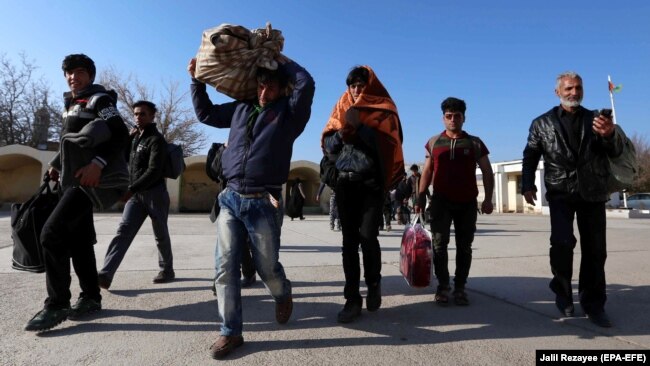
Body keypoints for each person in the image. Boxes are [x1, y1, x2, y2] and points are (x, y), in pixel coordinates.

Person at [188, 54, 315, 359]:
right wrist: (196, 81)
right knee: (224, 267)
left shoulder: (290, 114)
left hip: (264, 201)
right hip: (230, 198)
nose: (263, 92)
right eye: (260, 85)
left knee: (267, 268)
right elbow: (205, 114)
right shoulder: (241, 108)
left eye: (270, 87)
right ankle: (230, 332)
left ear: (282, 89)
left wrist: (281, 60)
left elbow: (306, 83)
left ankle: (282, 293)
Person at [24, 54, 129, 331]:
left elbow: (120, 133)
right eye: (69, 73)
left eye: (80, 72)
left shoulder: (100, 100)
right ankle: (91, 297)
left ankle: (57, 304)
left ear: (90, 76)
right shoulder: (71, 105)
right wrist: (56, 165)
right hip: (71, 180)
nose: (74, 77)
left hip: (89, 181)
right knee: (80, 240)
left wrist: (98, 163)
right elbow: (69, 143)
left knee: (51, 233)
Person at [521, 72, 624, 328]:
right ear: (558, 92)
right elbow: (531, 154)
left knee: (596, 250)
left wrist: (610, 135)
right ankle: (563, 293)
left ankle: (594, 304)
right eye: (568, 88)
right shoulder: (541, 123)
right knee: (562, 244)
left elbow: (614, 152)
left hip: (593, 192)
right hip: (560, 192)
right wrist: (527, 184)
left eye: (578, 88)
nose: (574, 93)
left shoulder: (596, 120)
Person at [322, 66, 404, 323]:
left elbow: (390, 144)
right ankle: (352, 299)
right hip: (346, 186)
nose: (356, 90)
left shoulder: (383, 107)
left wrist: (361, 129)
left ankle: (374, 283)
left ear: (368, 86)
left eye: (361, 85)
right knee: (348, 243)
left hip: (370, 185)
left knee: (368, 237)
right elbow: (327, 146)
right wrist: (342, 134)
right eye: (353, 85)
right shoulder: (341, 107)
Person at [416, 97, 494, 307]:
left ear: (463, 118)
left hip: (467, 202)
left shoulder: (475, 143)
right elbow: (427, 171)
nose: (453, 120)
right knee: (439, 246)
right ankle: (443, 286)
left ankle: (460, 287)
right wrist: (420, 196)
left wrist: (488, 198)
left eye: (457, 116)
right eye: (448, 116)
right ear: (443, 119)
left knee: (464, 247)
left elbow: (487, 171)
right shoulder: (433, 142)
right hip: (441, 202)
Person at [97, 101, 174, 289]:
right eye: (136, 114)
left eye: (143, 114)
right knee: (123, 232)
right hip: (136, 196)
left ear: (152, 116)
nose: (138, 117)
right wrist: (127, 140)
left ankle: (167, 270)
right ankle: (106, 274)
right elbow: (122, 160)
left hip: (155, 194)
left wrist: (132, 188)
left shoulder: (156, 140)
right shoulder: (134, 138)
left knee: (160, 234)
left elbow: (154, 170)